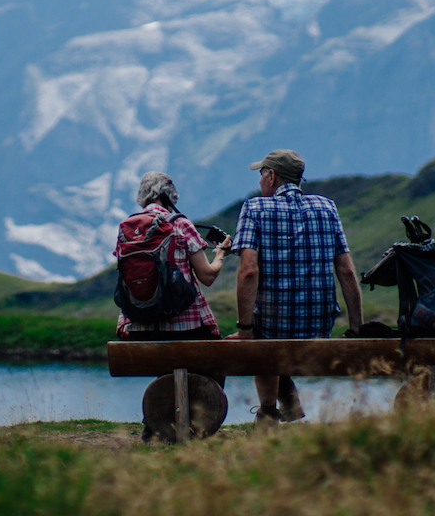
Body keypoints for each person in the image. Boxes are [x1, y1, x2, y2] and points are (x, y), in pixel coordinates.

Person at [230, 148, 363, 425]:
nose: (259, 182)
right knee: (276, 331)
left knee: (262, 334)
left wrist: (244, 331)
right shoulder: (327, 207)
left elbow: (249, 272)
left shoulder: (254, 208)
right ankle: (287, 401)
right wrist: (356, 330)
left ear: (271, 176)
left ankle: (268, 410)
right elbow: (347, 271)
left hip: (271, 328)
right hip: (318, 327)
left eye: (261, 175)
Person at [113, 171, 231, 340]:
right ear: (168, 195)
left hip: (138, 327)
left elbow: (125, 278)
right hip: (184, 327)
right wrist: (221, 254)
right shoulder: (181, 224)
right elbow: (207, 276)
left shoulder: (127, 230)